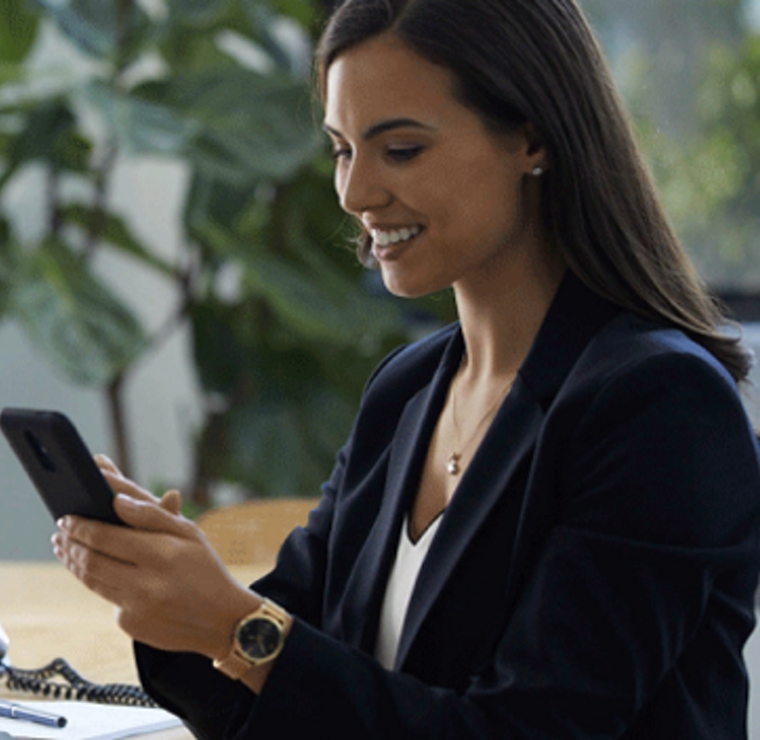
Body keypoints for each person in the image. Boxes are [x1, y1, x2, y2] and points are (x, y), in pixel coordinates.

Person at [50, 0, 760, 737]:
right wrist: (172, 597)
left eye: (401, 150)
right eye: (341, 150)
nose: (356, 195)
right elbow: (283, 698)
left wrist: (236, 628)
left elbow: (527, 729)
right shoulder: (407, 391)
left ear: (533, 137)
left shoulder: (661, 408)